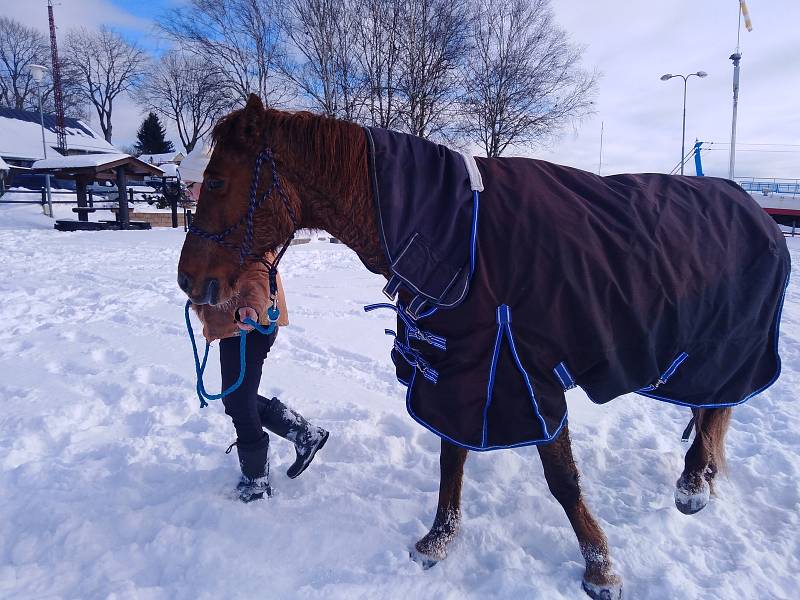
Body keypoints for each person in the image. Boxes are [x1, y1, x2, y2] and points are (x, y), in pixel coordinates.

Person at [179, 146, 329, 503]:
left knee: (239, 402)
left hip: (249, 325)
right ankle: (305, 434)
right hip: (232, 324)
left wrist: (249, 307)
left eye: (190, 183)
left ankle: (256, 479)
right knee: (236, 397)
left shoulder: (240, 220)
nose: (186, 190)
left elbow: (260, 269)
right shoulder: (216, 220)